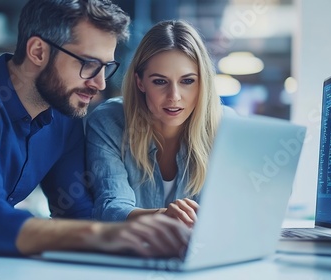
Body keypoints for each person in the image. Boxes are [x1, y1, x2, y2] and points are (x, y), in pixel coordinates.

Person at [0, 0, 190, 263]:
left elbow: (76, 215)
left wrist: (155, 226)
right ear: (38, 51)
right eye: (88, 65)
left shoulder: (64, 116)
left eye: (106, 67)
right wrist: (110, 234)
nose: (98, 84)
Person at [86, 20, 230, 227]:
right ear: (140, 82)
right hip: (131, 254)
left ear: (202, 83)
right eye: (160, 81)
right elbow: (111, 208)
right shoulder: (110, 122)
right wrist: (164, 215)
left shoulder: (225, 126)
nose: (174, 96)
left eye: (187, 81)